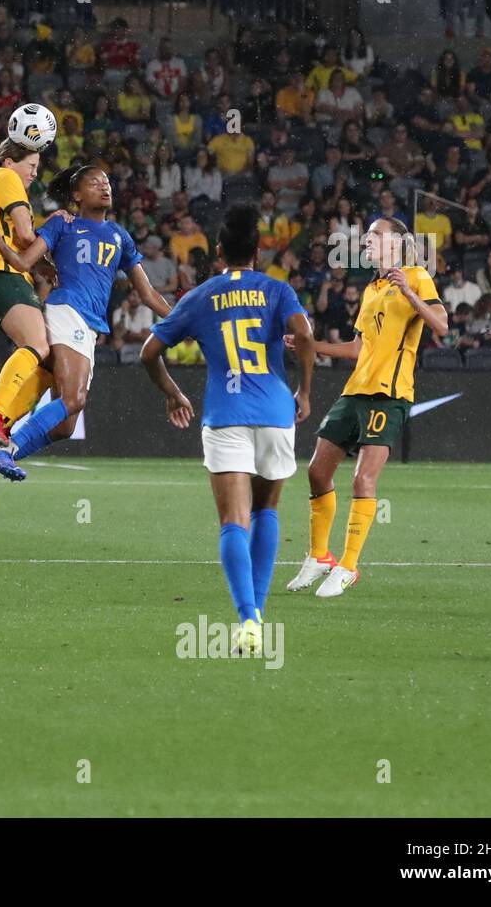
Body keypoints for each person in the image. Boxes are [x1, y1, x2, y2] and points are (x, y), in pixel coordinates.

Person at [139, 205, 315, 654]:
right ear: (257, 251)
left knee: (232, 521)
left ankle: (248, 619)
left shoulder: (201, 296)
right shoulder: (277, 290)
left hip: (225, 415)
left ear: (218, 252)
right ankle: (259, 609)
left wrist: (173, 393)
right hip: (276, 412)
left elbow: (148, 351)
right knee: (267, 510)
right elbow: (306, 336)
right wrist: (305, 391)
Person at [0, 164, 175, 510]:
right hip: (66, 311)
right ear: (77, 195)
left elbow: (149, 294)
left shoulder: (120, 235)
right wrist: (0, 242)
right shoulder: (63, 224)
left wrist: (184, 319)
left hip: (90, 326)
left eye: (107, 182)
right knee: (74, 399)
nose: (104, 187)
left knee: (66, 424)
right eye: (94, 183)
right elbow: (22, 262)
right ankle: (2, 449)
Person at [286, 218, 449, 598]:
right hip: (355, 391)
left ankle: (348, 566)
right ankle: (319, 556)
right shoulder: (372, 289)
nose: (368, 241)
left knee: (362, 480)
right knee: (316, 472)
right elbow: (358, 350)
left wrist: (410, 293)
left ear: (397, 243)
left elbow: (441, 325)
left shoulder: (417, 276)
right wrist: (310, 345)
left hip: (389, 396)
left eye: (376, 236)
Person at [0, 138, 68, 447]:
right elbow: (24, 235)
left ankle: (2, 422)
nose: (35, 173)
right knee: (37, 344)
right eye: (32, 166)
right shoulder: (6, 177)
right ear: (10, 162)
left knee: (49, 360)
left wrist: (41, 268)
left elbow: (19, 239)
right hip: (2, 271)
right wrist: (53, 228)